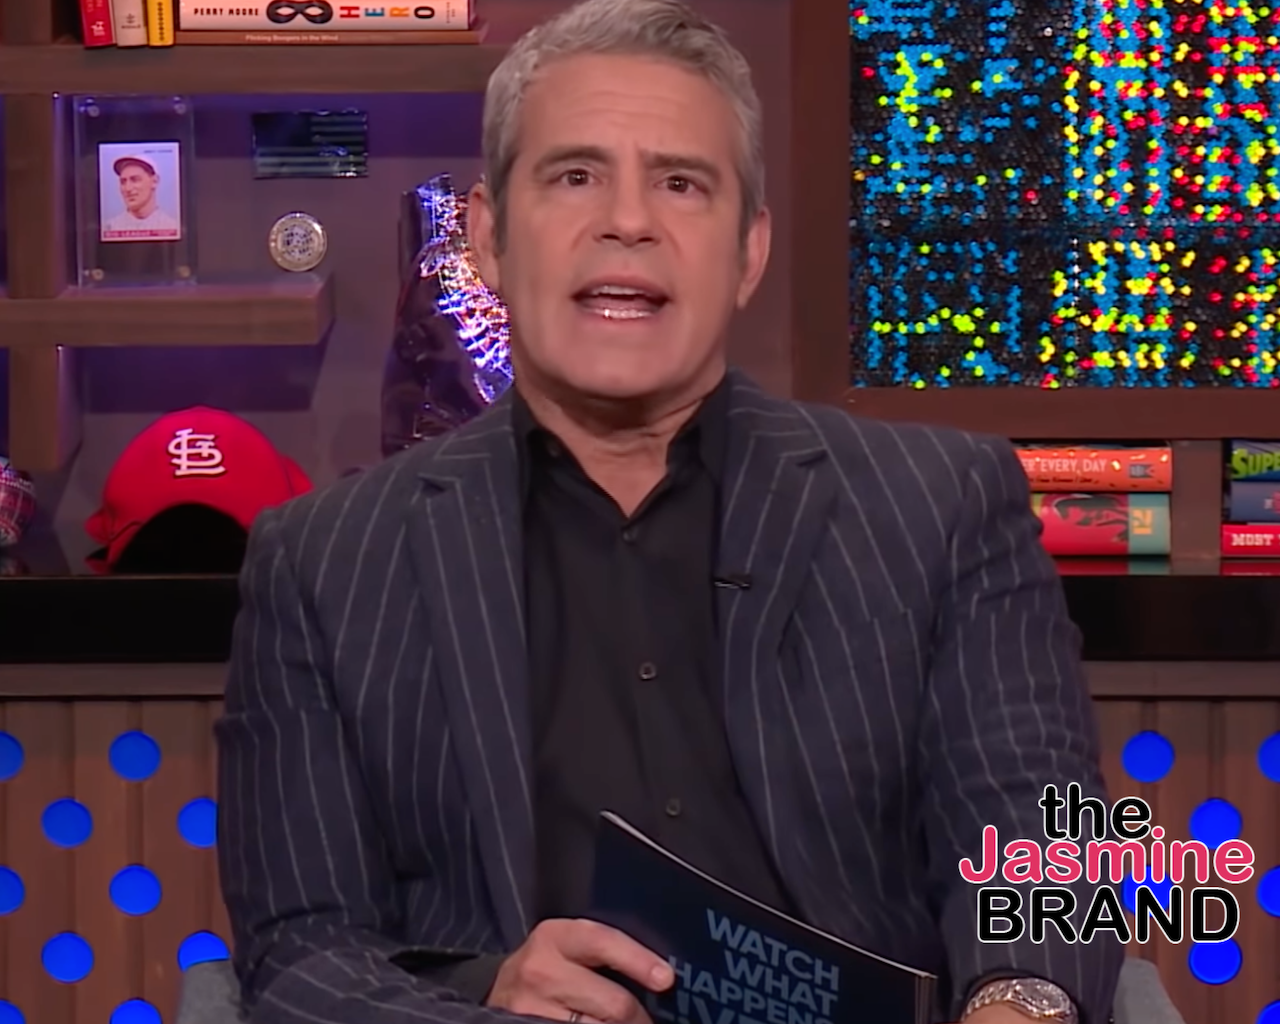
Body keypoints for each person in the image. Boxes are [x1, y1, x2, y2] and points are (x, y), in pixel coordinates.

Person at [216, 1, 1125, 1022]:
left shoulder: (940, 506)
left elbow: (1045, 842)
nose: (628, 221)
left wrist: (1020, 999)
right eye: (574, 176)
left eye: (681, 183)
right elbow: (299, 954)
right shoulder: (326, 563)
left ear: (747, 252)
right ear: (489, 238)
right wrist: (482, 997)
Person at [101, 155, 180, 238]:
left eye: (135, 180)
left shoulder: (172, 227)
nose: (128, 188)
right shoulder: (110, 228)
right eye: (123, 182)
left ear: (154, 181)